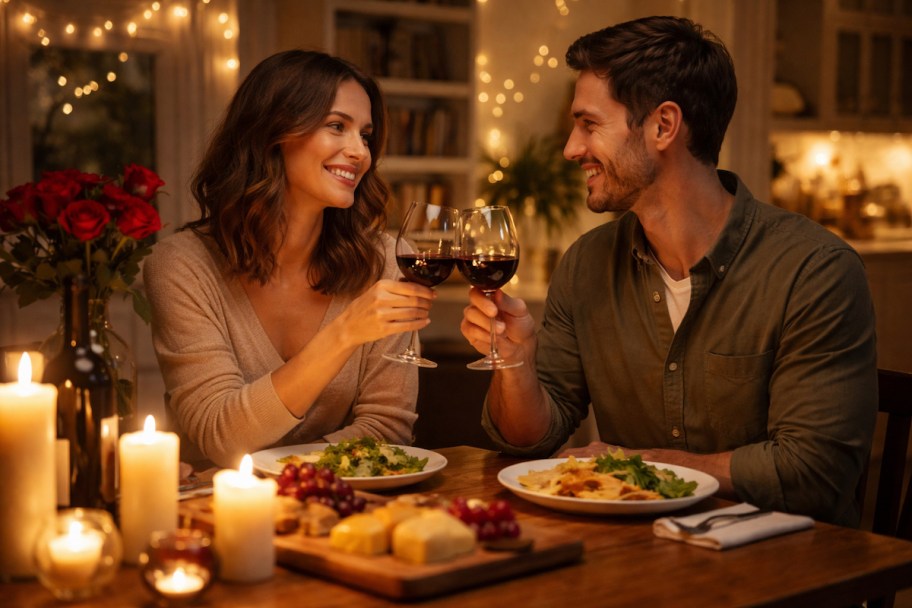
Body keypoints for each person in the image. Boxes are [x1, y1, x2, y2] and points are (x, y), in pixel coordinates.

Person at [460, 16, 877, 526]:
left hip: (787, 558)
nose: (571, 148)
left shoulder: (814, 272)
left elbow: (816, 472)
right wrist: (516, 364)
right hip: (640, 550)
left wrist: (642, 466)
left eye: (589, 124)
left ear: (663, 126)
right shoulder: (586, 264)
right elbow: (531, 440)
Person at [144, 50, 435, 469]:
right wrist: (344, 334)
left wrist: (295, 475)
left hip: (345, 502)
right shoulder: (182, 266)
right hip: (217, 505)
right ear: (272, 133)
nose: (360, 152)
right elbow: (220, 435)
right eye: (337, 126)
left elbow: (387, 428)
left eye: (366, 135)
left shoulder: (385, 262)